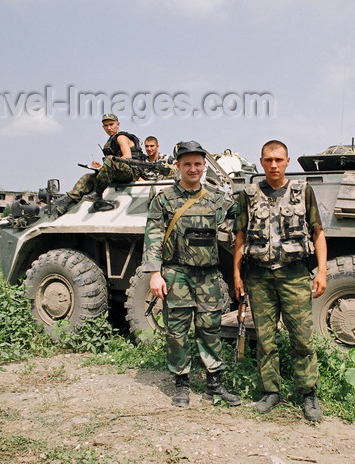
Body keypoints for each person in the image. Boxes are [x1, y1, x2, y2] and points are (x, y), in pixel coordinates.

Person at [232, 139, 327, 421]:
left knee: (302, 338)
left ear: (287, 162)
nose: (273, 165)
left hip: (294, 274)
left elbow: (318, 233)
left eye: (279, 160)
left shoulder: (303, 192)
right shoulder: (248, 195)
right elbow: (239, 236)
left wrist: (322, 270)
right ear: (261, 162)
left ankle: (308, 394)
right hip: (260, 276)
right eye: (268, 160)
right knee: (265, 339)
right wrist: (237, 274)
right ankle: (271, 391)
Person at [142, 140, 240, 407]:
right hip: (176, 274)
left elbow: (242, 215)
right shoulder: (164, 199)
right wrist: (154, 274)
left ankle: (214, 384)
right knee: (177, 331)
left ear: (204, 166)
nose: (193, 168)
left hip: (208, 275)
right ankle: (182, 384)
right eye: (188, 164)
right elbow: (152, 236)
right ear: (178, 166)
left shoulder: (217, 199)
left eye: (198, 163)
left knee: (210, 329)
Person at [54, 114, 142, 214]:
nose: (109, 128)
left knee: (109, 160)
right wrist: (101, 167)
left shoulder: (121, 137)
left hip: (132, 172)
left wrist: (108, 164)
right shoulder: (111, 140)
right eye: (106, 125)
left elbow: (127, 157)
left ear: (118, 124)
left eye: (111, 124)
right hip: (119, 171)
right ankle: (69, 200)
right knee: (88, 177)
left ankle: (98, 194)